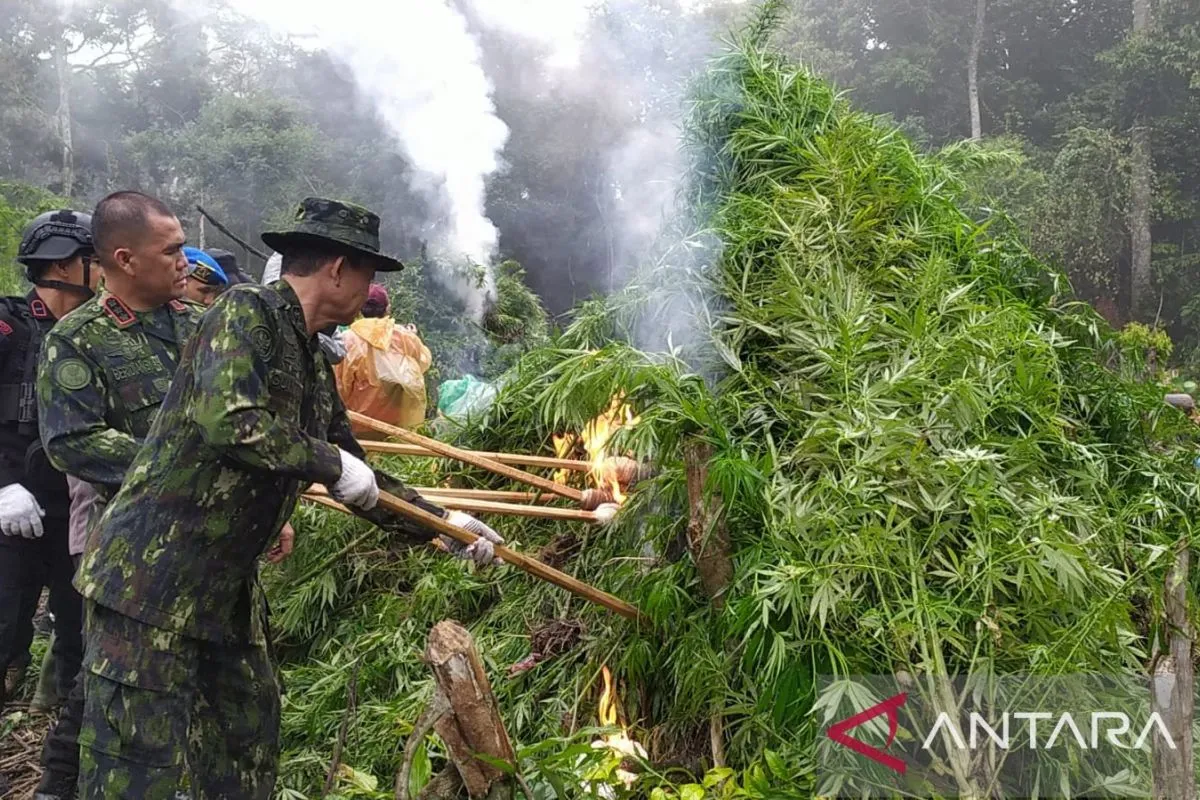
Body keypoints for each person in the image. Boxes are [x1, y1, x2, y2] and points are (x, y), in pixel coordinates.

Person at [74, 197, 504, 799]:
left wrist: (445, 526)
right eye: (367, 273)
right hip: (151, 578)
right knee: (133, 764)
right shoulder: (243, 313)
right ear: (335, 269)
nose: (368, 288)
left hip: (224, 586)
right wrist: (330, 464)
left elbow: (357, 472)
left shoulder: (307, 351)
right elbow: (230, 420)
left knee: (245, 740)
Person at [34, 191, 204, 800]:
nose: (185, 260)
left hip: (210, 548)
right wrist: (185, 467)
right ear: (126, 259)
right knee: (122, 703)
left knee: (208, 695)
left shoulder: (198, 327)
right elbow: (74, 442)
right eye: (173, 248)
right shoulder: (78, 340)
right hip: (132, 558)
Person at [0, 210, 99, 719]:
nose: (103, 270)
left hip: (72, 517)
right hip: (11, 514)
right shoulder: (9, 327)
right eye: (93, 260)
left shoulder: (100, 333)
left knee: (79, 638)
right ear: (62, 266)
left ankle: (60, 758)